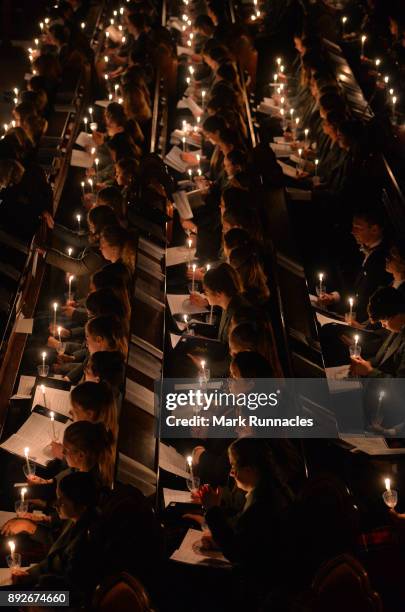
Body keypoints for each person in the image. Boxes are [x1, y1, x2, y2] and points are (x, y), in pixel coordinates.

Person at [198, 438, 294, 607]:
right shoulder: (270, 489)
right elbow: (245, 532)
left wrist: (212, 510)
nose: (231, 473)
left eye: (234, 467)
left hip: (258, 592)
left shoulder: (262, 504)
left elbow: (235, 550)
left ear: (249, 470)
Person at [11, 472, 99, 605]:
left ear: (81, 504)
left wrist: (32, 600)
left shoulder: (86, 542)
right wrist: (29, 575)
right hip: (43, 587)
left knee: (4, 599)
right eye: (57, 497)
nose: (55, 504)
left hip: (56, 600)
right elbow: (54, 558)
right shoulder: (74, 520)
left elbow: (72, 594)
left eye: (62, 500)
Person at [350, 287, 405, 378]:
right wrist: (364, 363)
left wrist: (369, 371)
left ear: (398, 314)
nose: (383, 325)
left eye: (383, 321)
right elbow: (381, 358)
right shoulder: (398, 328)